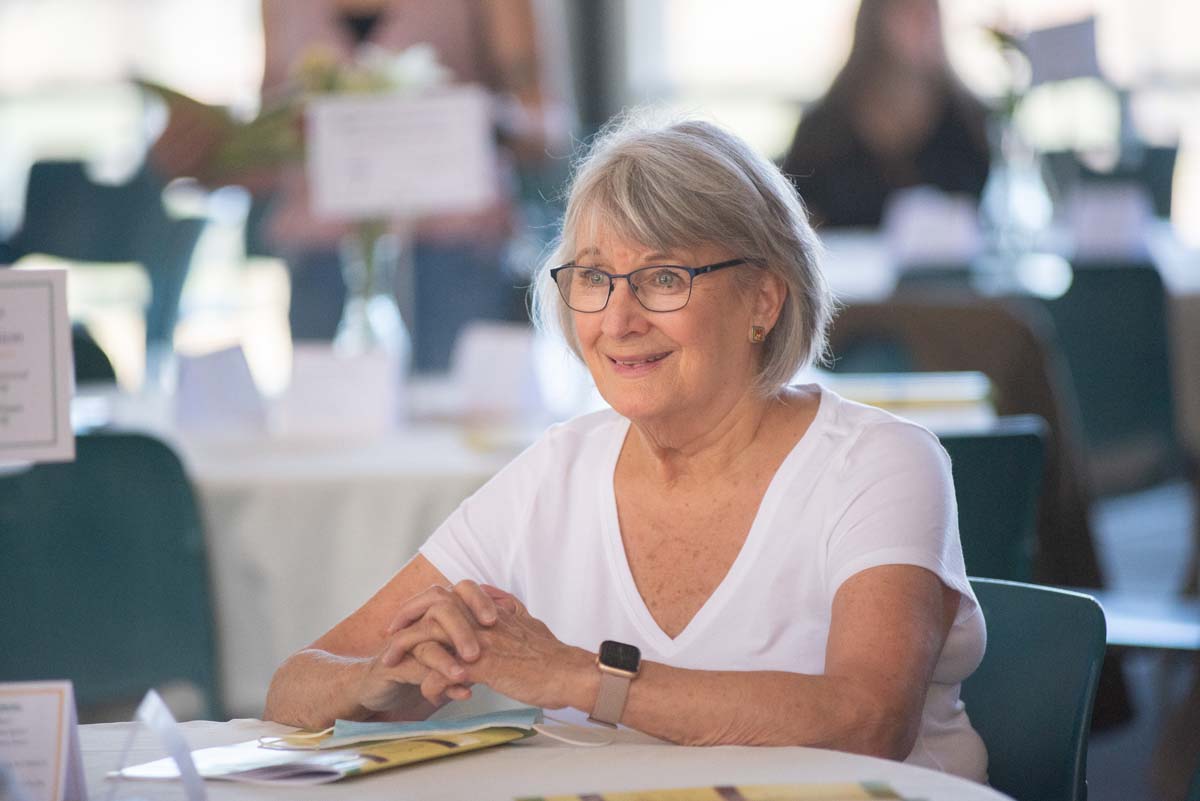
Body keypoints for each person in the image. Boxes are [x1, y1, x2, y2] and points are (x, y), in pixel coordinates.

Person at [264, 117, 988, 781]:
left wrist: (579, 677)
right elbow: (294, 685)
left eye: (664, 278)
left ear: (764, 301)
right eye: (593, 278)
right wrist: (375, 681)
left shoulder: (880, 461)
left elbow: (868, 722)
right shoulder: (559, 470)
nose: (617, 319)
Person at [258, 0, 570, 367]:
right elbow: (267, 127)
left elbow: (548, 125)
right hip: (321, 263)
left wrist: (479, 120)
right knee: (322, 419)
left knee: (459, 415)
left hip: (458, 261)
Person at [782, 0, 990, 228]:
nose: (923, 21)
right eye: (909, 10)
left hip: (949, 263)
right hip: (846, 262)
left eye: (930, 10)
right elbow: (792, 216)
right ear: (875, 20)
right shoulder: (824, 129)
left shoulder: (970, 121)